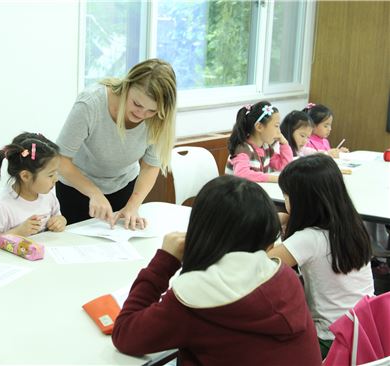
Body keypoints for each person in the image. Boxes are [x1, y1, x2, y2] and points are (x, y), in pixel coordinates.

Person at [112, 175, 321, 366]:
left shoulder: (198, 298)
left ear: (202, 229)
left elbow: (125, 335)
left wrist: (164, 261)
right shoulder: (283, 275)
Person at [268, 154, 374, 358]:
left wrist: (272, 224)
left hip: (331, 340)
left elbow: (260, 265)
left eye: (287, 196)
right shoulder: (352, 226)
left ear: (302, 200)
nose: (285, 201)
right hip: (364, 332)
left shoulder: (309, 239)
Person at [56, 58, 177, 228]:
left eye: (151, 110)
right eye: (137, 104)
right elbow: (61, 159)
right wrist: (94, 193)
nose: (142, 114)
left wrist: (133, 206)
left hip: (124, 188)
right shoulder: (91, 104)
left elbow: (150, 166)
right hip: (76, 188)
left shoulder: (160, 119)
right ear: (127, 86)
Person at [0, 132, 66, 236]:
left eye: (56, 173)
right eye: (50, 175)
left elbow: (58, 216)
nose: (56, 179)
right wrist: (17, 232)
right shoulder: (1, 208)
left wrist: (60, 221)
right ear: (25, 176)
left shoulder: (48, 197)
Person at [226, 101, 293, 183]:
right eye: (276, 126)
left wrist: (284, 143)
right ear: (259, 127)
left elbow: (284, 166)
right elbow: (242, 174)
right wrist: (272, 178)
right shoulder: (243, 149)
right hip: (235, 194)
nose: (279, 132)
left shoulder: (266, 148)